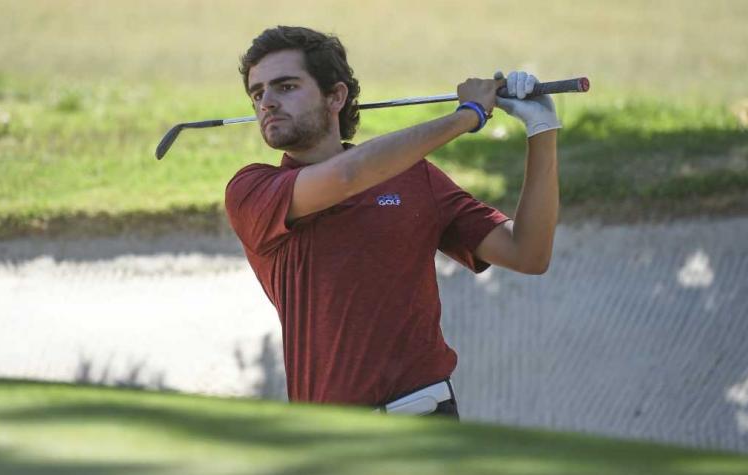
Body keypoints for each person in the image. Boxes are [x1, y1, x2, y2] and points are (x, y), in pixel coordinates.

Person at [225, 26, 560, 419]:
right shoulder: (253, 189)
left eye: (285, 87)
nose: (267, 103)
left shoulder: (413, 176)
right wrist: (467, 117)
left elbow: (528, 253)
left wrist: (542, 130)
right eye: (258, 93)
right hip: (331, 434)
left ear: (336, 96)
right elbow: (348, 176)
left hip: (427, 419)